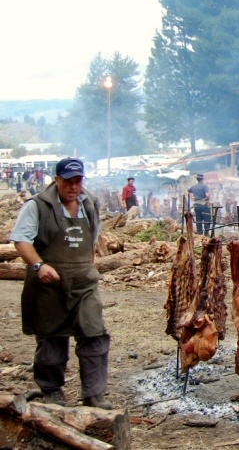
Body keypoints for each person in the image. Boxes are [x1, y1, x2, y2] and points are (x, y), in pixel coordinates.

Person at [9, 157, 114, 409]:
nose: (73, 186)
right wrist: (38, 265)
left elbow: (93, 240)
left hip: (84, 286)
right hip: (48, 285)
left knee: (94, 334)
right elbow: (21, 240)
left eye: (78, 181)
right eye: (68, 181)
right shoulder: (37, 206)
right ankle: (51, 391)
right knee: (51, 337)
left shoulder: (89, 203)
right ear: (56, 180)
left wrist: (85, 268)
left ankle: (93, 394)